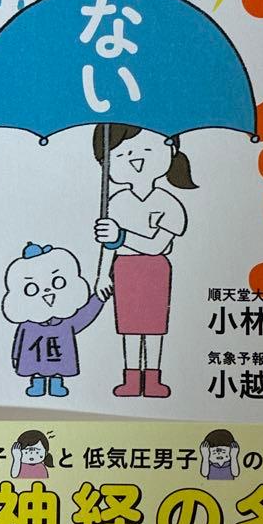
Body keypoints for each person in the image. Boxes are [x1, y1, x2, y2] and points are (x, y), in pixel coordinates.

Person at [93, 124, 196, 398]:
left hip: (154, 269)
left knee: (153, 328)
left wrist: (120, 236)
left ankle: (152, 379)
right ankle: (131, 378)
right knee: (128, 327)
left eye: (147, 149)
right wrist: (102, 275)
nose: (135, 158)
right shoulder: (115, 202)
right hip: (124, 268)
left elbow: (156, 245)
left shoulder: (168, 203)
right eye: (120, 154)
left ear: (170, 149)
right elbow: (108, 246)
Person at [3, 242, 107, 398]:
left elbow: (85, 316)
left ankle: (56, 384)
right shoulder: (28, 324)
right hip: (35, 357)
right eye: (32, 289)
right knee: (36, 372)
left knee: (57, 372)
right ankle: (37, 384)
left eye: (57, 282)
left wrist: (99, 298)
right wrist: (15, 356)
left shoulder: (66, 322)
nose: (47, 290)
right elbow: (19, 340)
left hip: (58, 358)